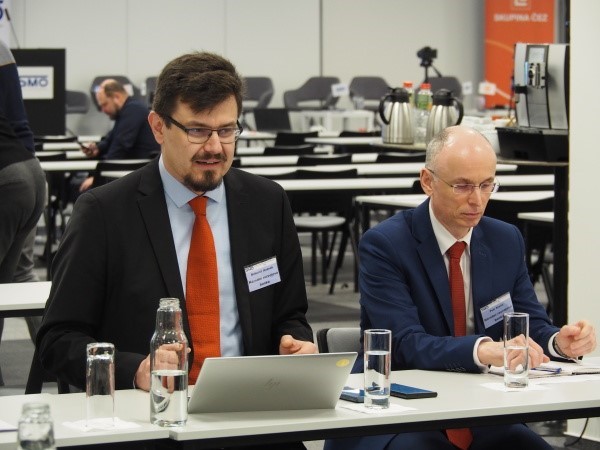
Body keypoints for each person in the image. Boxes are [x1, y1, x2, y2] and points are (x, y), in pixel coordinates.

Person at [37, 52, 315, 446]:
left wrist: (294, 343)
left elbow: (290, 315)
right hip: (149, 426)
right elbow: (58, 339)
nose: (215, 147)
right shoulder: (104, 213)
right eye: (197, 131)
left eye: (227, 130)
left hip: (253, 421)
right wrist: (136, 369)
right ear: (158, 127)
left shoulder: (267, 203)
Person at [325, 126, 597, 450]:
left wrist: (558, 343)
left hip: (480, 407)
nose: (477, 200)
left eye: (487, 185)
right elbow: (404, 343)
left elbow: (528, 323)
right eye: (463, 186)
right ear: (428, 181)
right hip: (399, 408)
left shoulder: (505, 239)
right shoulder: (386, 244)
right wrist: (482, 350)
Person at [76, 78, 160, 192]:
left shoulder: (133, 110)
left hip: (137, 174)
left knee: (81, 188)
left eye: (104, 104)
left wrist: (98, 177)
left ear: (116, 97)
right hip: (131, 171)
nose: (103, 110)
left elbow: (120, 146)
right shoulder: (127, 111)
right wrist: (97, 149)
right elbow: (111, 139)